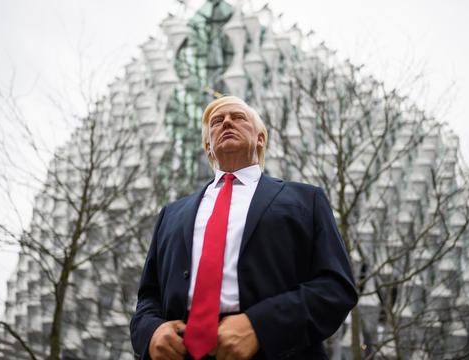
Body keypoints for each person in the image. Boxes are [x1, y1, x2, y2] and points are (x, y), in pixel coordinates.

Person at [130, 95, 358, 360]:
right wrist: (152, 333)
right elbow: (148, 298)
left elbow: (336, 287)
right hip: (182, 351)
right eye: (216, 121)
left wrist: (261, 327)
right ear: (207, 146)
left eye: (238, 117)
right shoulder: (170, 215)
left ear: (260, 138)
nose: (227, 122)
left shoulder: (306, 200)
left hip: (275, 351)